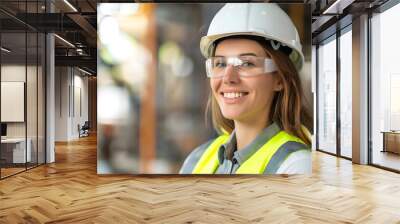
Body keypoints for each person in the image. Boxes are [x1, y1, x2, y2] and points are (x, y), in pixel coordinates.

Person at [180, 3, 312, 174]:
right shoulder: (197, 159)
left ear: (280, 78)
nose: (228, 78)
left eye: (246, 63)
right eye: (220, 63)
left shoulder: (296, 166)